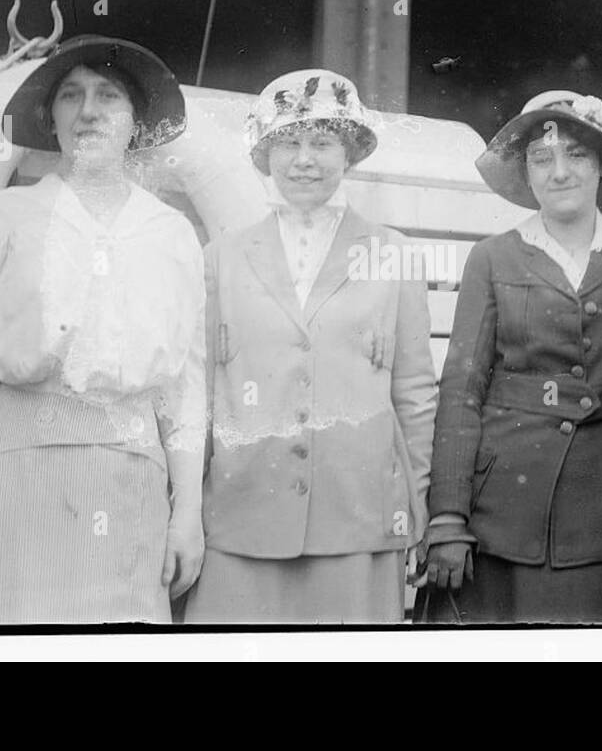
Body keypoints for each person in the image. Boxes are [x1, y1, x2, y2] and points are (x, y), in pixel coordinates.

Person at [0, 35, 206, 623]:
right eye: (71, 96)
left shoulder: (171, 235)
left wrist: (187, 514)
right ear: (51, 118)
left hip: (131, 481)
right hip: (10, 480)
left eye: (108, 95)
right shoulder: (3, 217)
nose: (88, 110)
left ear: (134, 120)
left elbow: (185, 391)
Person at [183, 69, 437, 623]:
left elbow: (415, 395)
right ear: (264, 155)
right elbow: (197, 397)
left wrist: (420, 511)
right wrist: (185, 513)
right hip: (241, 517)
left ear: (348, 155)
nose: (305, 159)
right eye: (288, 142)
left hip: (358, 521)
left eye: (322, 142)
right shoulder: (220, 258)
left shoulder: (393, 255)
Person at [418, 90, 602, 623]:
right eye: (542, 158)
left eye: (577, 154)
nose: (560, 172)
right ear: (526, 174)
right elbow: (462, 390)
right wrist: (447, 517)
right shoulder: (493, 256)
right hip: (500, 513)